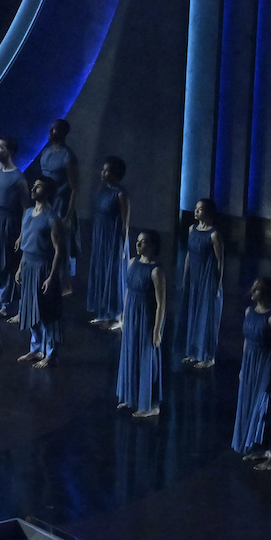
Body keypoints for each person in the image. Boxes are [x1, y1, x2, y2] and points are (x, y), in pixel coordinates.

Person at [232, 279, 271, 470]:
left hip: (266, 367)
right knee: (253, 408)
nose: (252, 291)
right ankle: (262, 449)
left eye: (257, 289)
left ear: (265, 293)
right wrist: (243, 367)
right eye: (253, 287)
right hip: (251, 365)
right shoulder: (249, 312)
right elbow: (247, 341)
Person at [15, 176, 68, 367]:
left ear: (47, 192)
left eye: (38, 187)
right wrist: (20, 268)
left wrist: (51, 276)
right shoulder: (29, 212)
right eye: (34, 185)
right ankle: (36, 347)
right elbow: (27, 245)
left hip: (43, 268)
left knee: (47, 313)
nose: (33, 189)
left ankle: (51, 353)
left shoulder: (52, 219)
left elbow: (59, 251)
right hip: (28, 265)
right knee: (30, 310)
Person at [115, 229, 166, 418]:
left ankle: (150, 404)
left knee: (146, 359)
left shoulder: (156, 271)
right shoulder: (132, 263)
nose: (138, 244)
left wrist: (157, 330)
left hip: (146, 318)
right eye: (137, 241)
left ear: (151, 245)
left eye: (142, 242)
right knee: (131, 354)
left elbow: (161, 304)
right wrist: (123, 314)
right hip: (132, 315)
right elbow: (128, 290)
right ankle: (131, 397)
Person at [0, 137, 27, 324]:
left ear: (10, 152)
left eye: (1, 147)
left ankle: (17, 307)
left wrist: (22, 234)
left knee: (11, 265)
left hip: (11, 223)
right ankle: (5, 305)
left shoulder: (18, 178)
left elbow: (26, 207)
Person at [178, 198, 225, 369]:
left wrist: (217, 285)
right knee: (193, 313)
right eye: (196, 208)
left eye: (200, 209)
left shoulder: (214, 235)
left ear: (209, 212)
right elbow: (189, 254)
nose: (196, 211)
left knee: (206, 315)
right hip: (194, 276)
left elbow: (220, 261)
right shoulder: (192, 229)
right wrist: (185, 277)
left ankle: (208, 356)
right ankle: (193, 352)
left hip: (207, 278)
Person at [86, 157, 131, 329]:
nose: (103, 173)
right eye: (103, 170)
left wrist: (123, 246)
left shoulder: (121, 194)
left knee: (113, 274)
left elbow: (125, 223)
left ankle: (117, 316)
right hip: (100, 235)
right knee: (101, 271)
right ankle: (103, 312)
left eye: (107, 171)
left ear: (115, 174)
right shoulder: (101, 189)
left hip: (113, 238)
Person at [33, 118, 79, 240]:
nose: (50, 131)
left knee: (58, 239)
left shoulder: (68, 156)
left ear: (62, 132)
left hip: (59, 204)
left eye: (54, 129)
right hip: (44, 201)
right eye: (50, 128)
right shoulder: (45, 152)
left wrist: (68, 217)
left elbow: (74, 189)